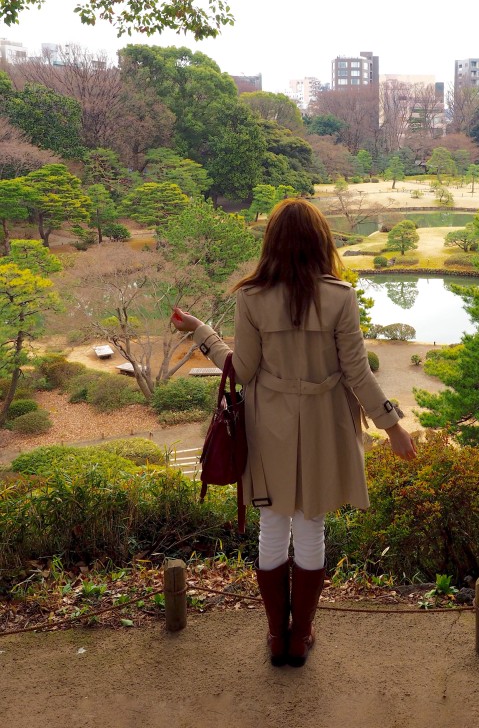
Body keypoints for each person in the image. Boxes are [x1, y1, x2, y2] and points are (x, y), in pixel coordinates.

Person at [171, 198, 416, 668]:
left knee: (271, 527)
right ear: (320, 241)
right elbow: (357, 375)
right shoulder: (340, 296)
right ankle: (300, 637)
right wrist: (394, 427)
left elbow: (241, 370)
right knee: (310, 527)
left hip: (269, 427)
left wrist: (201, 332)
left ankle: (276, 637)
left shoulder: (251, 297)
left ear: (273, 243)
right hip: (326, 424)